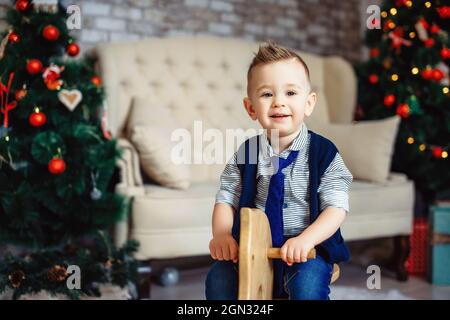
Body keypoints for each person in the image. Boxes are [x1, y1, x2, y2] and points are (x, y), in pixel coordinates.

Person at [205, 41, 353, 300]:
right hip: (251, 248)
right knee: (219, 279)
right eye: (266, 94)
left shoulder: (324, 152)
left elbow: (336, 208)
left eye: (291, 93)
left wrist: (306, 240)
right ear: (251, 108)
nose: (278, 103)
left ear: (309, 103)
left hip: (307, 250)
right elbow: (227, 197)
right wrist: (222, 235)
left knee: (306, 288)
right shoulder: (247, 153)